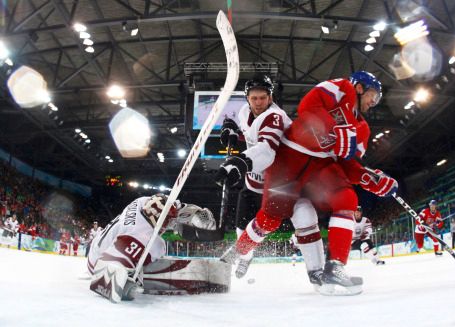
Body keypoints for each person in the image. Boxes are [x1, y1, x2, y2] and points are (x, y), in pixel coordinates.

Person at [221, 71, 397, 295]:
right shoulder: (342, 87)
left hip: (321, 167)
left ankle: (334, 267)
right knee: (270, 219)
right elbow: (308, 106)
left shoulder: (362, 130)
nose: (374, 102)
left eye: (378, 99)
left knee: (347, 198)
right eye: (373, 95)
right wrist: (335, 128)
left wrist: (368, 178)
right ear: (360, 87)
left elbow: (348, 164)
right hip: (289, 158)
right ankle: (238, 251)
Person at [215, 74, 292, 278]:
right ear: (247, 99)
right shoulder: (243, 112)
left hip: (277, 181)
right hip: (253, 179)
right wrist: (232, 131)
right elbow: (250, 135)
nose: (258, 103)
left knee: (269, 221)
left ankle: (242, 250)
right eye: (254, 98)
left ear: (270, 97)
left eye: (263, 98)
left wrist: (240, 161)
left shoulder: (276, 117)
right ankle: (246, 256)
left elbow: (266, 148)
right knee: (241, 223)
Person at [87, 194, 230, 303]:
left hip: (100, 241)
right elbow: (103, 279)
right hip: (96, 261)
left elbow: (175, 206)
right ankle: (133, 268)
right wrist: (125, 284)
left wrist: (198, 215)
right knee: (155, 251)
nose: (171, 225)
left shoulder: (143, 201)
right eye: (168, 223)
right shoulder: (142, 237)